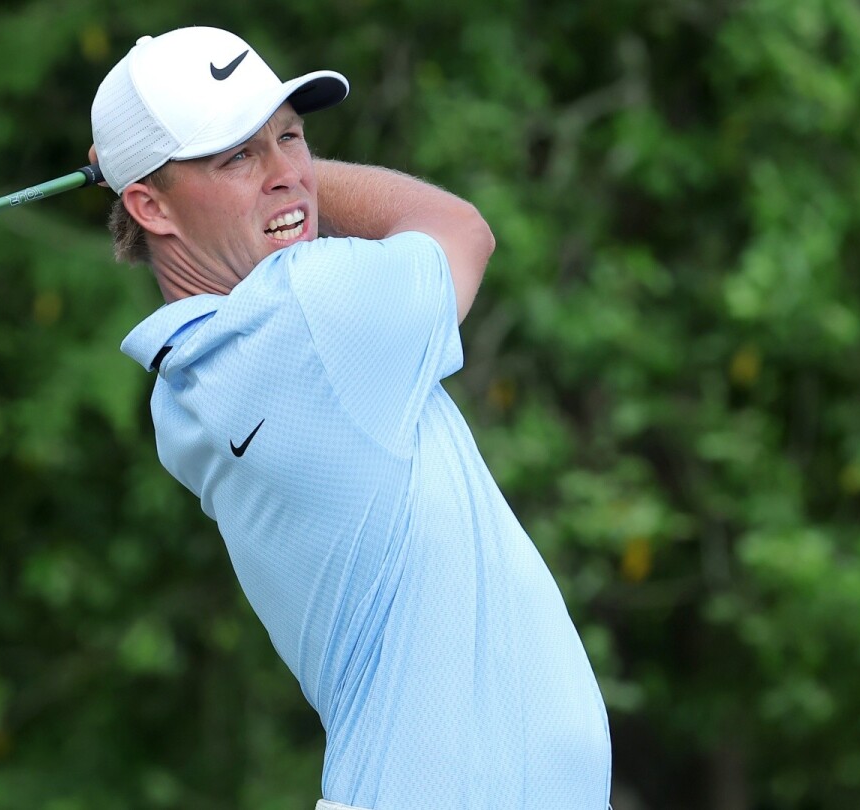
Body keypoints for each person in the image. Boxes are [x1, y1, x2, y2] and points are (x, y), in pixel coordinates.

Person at [89, 27, 612, 809]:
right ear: (149, 206)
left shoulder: (187, 384)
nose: (285, 173)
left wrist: (246, 177)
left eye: (292, 136)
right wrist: (298, 180)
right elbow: (463, 229)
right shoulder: (310, 309)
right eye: (236, 154)